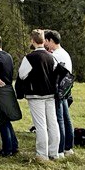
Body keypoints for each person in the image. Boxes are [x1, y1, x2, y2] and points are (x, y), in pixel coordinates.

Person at [18, 29, 60, 161]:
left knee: (40, 125)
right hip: (50, 94)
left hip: (35, 94)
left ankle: (42, 154)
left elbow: (22, 75)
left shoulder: (29, 58)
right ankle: (54, 152)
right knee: (53, 123)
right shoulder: (51, 57)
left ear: (32, 40)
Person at [43, 30, 74, 156]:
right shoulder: (64, 53)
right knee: (66, 118)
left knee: (58, 119)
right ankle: (68, 147)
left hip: (57, 90)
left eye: (46, 41)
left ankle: (60, 149)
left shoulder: (55, 55)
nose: (45, 44)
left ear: (50, 40)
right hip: (65, 89)